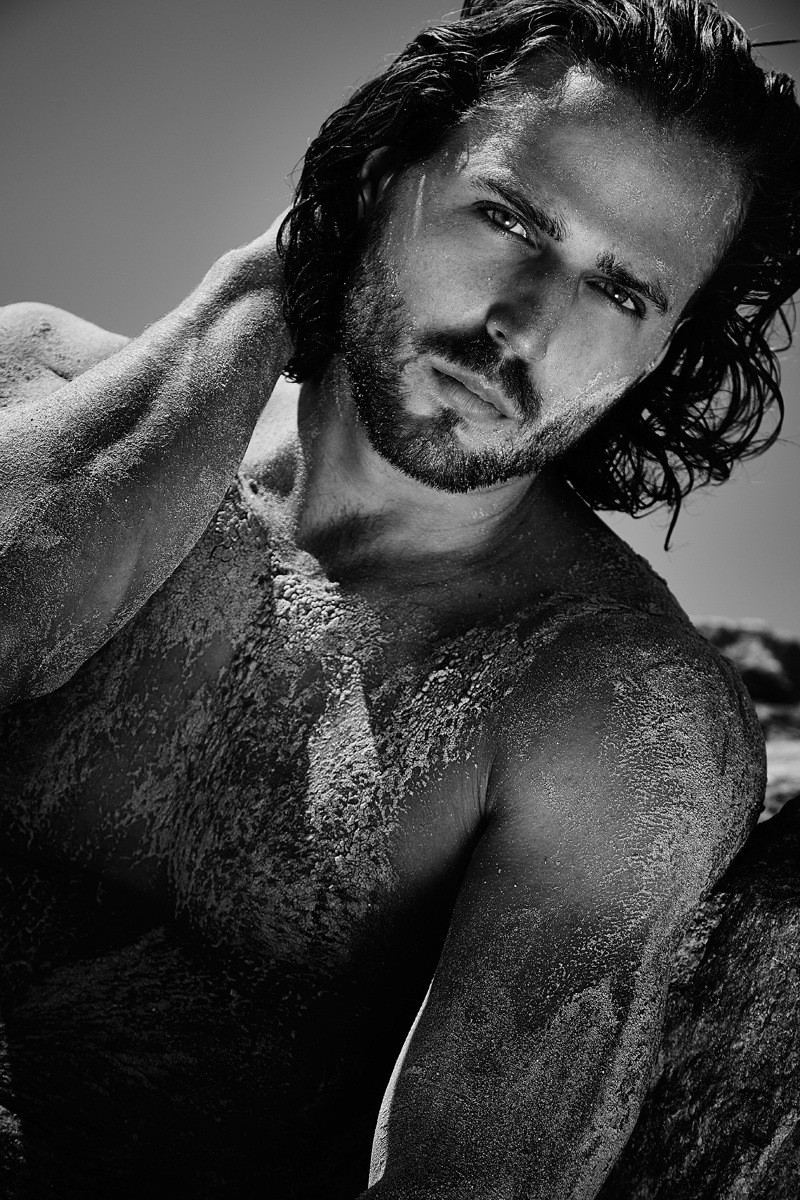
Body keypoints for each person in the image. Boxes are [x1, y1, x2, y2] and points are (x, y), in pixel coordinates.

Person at [0, 0, 798, 1196]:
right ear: (384, 175)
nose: (523, 325)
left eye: (621, 292)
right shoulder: (31, 386)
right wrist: (265, 288)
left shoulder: (607, 713)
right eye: (507, 218)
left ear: (659, 353)